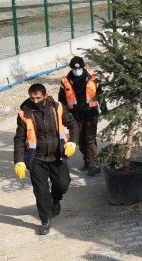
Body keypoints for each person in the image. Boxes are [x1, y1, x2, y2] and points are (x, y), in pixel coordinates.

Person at [13, 83, 75, 235]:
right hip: (37, 159)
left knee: (63, 183)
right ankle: (45, 220)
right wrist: (19, 160)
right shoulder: (24, 113)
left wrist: (73, 141)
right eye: (32, 97)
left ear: (45, 96)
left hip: (57, 155)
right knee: (41, 192)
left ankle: (56, 199)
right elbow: (19, 139)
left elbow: (73, 125)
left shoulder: (57, 107)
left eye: (38, 98)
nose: (35, 101)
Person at [58, 55, 101, 176]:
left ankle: (93, 165)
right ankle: (88, 161)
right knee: (81, 140)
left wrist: (104, 108)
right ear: (71, 68)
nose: (77, 71)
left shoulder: (93, 79)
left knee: (90, 138)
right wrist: (65, 116)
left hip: (91, 113)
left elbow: (100, 94)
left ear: (83, 67)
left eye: (79, 68)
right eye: (74, 69)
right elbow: (61, 100)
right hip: (76, 115)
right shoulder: (65, 81)